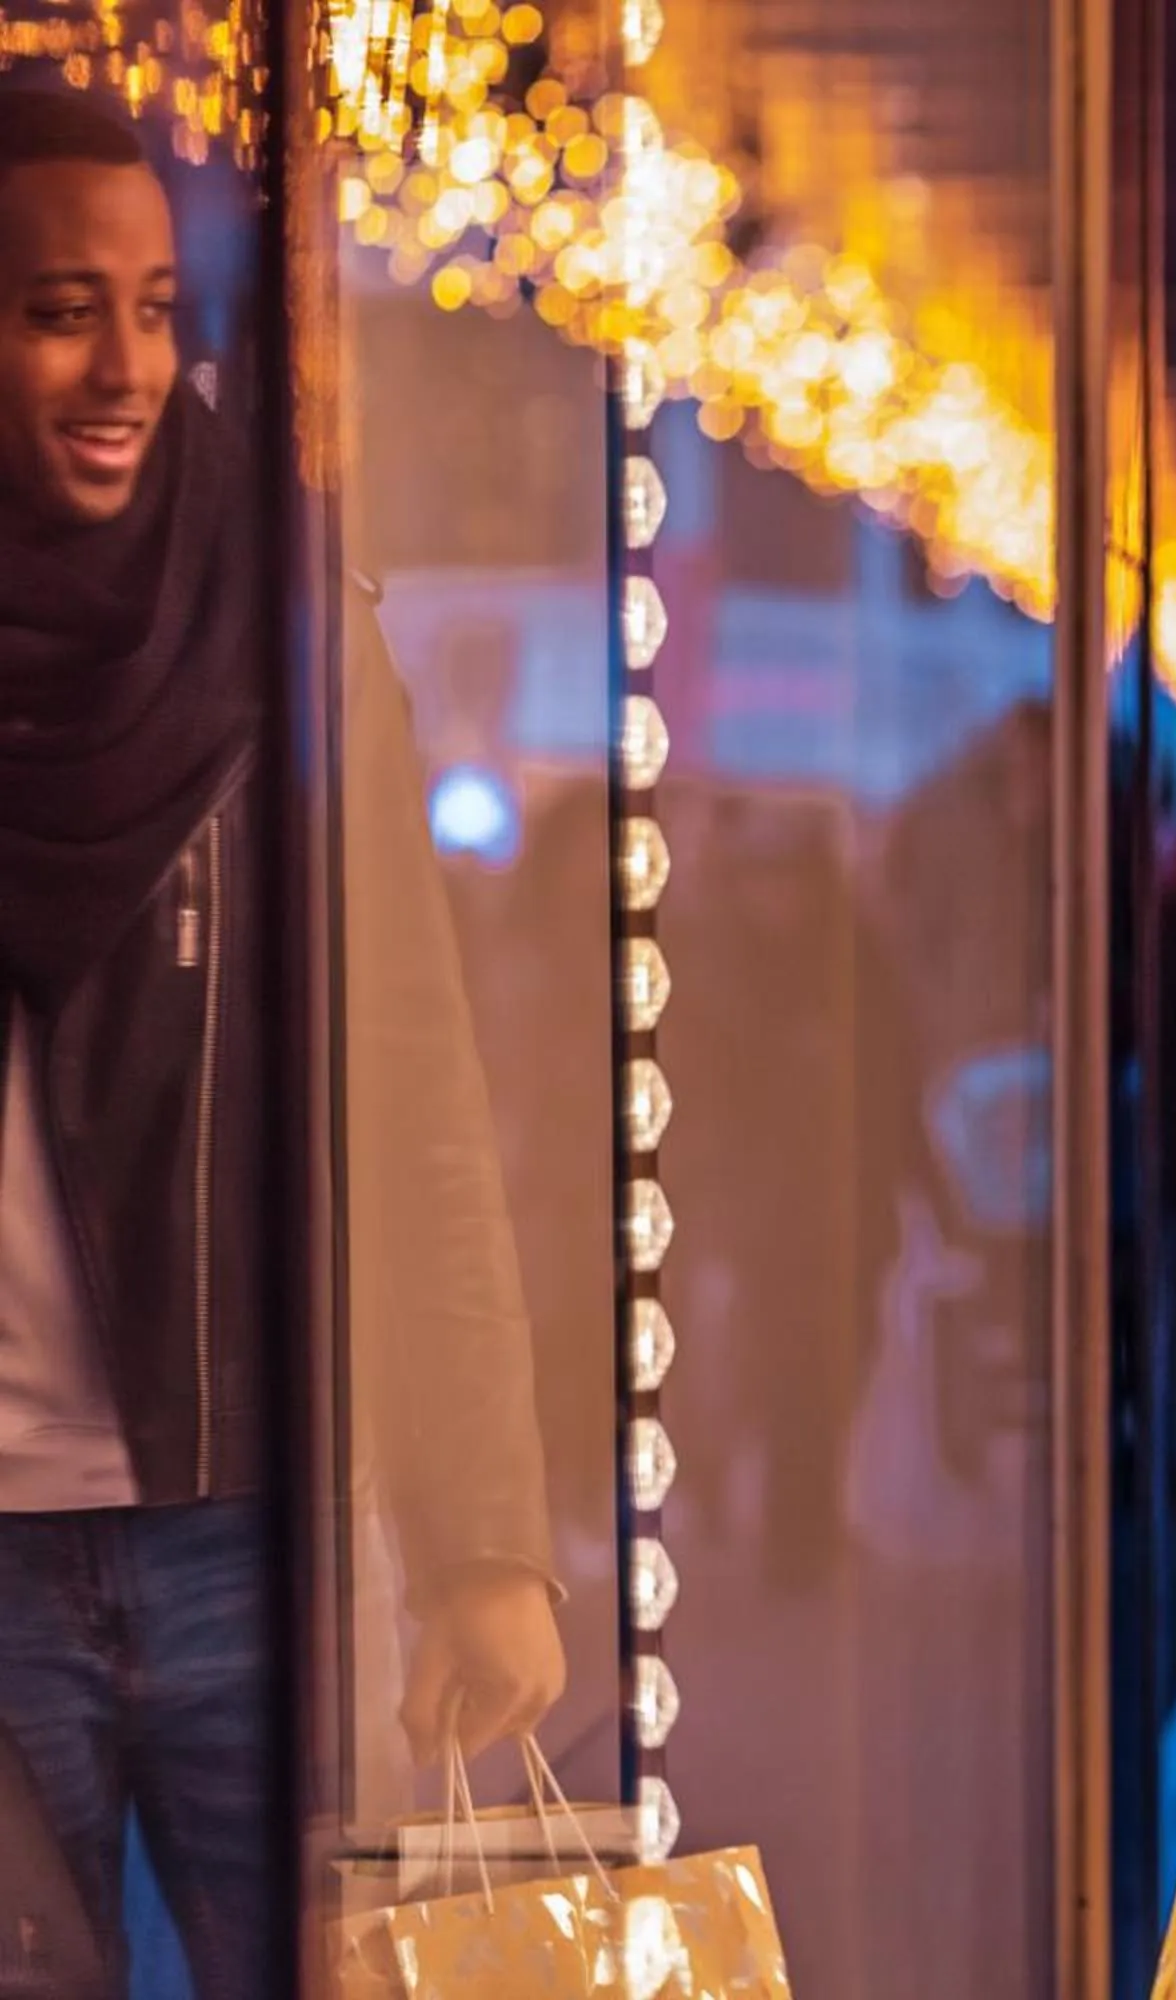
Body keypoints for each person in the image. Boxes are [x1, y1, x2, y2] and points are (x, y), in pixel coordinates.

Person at [0, 88, 562, 1996]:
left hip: (248, 1530)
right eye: (61, 307)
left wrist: (487, 1537)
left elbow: (408, 1103)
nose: (123, 367)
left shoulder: (281, 626)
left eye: (155, 308)